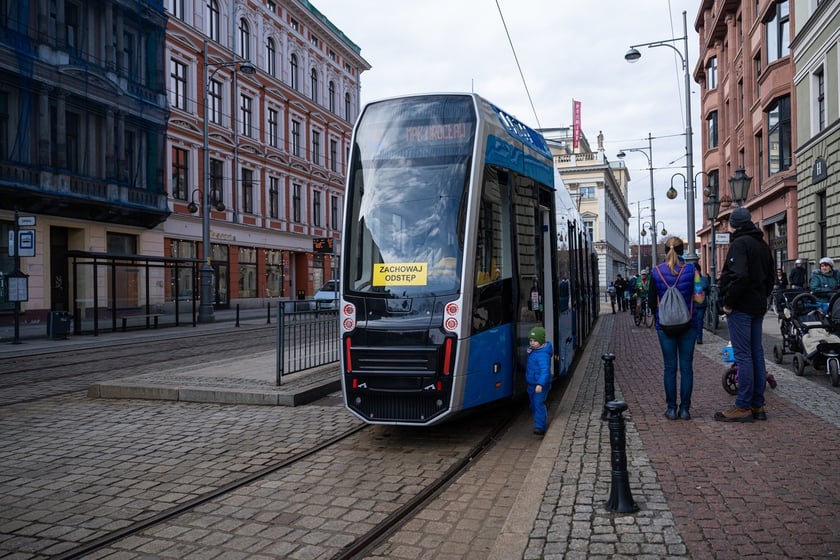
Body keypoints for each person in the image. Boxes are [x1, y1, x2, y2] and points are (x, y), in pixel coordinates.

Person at [715, 207, 774, 422]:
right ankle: (758, 405)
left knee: (744, 356)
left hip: (740, 307)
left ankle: (743, 406)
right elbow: (770, 279)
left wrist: (729, 303)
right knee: (756, 354)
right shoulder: (762, 244)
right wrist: (761, 298)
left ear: (733, 224)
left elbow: (739, 276)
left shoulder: (740, 244)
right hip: (757, 306)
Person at [648, 237, 704, 420]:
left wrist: (660, 314)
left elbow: (651, 301)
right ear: (683, 251)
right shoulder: (691, 270)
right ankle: (685, 409)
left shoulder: (656, 272)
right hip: (688, 325)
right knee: (687, 368)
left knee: (669, 368)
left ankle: (671, 409)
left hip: (665, 326)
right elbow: (700, 298)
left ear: (666, 250)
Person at [526, 326, 553, 436]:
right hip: (532, 384)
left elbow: (545, 371)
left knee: (538, 404)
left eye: (535, 341)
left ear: (541, 342)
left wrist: (540, 384)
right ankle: (539, 418)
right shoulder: (534, 351)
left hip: (540, 385)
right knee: (533, 404)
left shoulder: (543, 355)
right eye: (531, 340)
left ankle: (540, 426)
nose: (532, 343)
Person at [694, 272, 711, 344]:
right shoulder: (705, 279)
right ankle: (699, 338)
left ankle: (694, 337)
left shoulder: (690, 279)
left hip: (693, 302)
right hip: (702, 302)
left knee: (692, 320)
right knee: (700, 320)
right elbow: (709, 290)